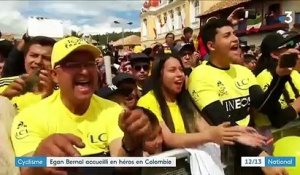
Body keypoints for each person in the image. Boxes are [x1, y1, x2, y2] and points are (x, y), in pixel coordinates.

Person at [11, 36, 150, 175]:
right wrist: (40, 161)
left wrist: (131, 145)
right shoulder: (29, 117)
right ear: (54, 75)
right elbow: (25, 168)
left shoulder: (113, 110)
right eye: (72, 65)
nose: (84, 71)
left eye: (90, 63)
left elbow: (123, 166)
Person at [188, 18, 292, 175]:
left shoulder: (242, 71)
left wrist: (280, 76)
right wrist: (262, 158)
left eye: (234, 34)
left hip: (251, 150)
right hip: (225, 157)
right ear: (211, 46)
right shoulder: (200, 75)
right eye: (227, 35)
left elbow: (263, 106)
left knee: (289, 165)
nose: (235, 38)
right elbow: (221, 119)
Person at [138, 54, 263, 152]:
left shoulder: (185, 100)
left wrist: (236, 134)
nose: (180, 74)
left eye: (181, 70)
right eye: (172, 70)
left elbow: (204, 128)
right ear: (159, 75)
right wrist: (210, 136)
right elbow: (169, 139)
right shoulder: (148, 101)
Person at [254, 31, 300, 127]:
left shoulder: (295, 73)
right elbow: (278, 119)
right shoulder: (263, 77)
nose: (291, 49)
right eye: (286, 47)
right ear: (274, 54)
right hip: (273, 135)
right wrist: (297, 105)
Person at [0, 36, 56, 111]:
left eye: (46, 58)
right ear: (25, 58)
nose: (38, 61)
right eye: (34, 56)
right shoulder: (3, 84)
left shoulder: (63, 90)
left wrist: (49, 97)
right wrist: (3, 98)